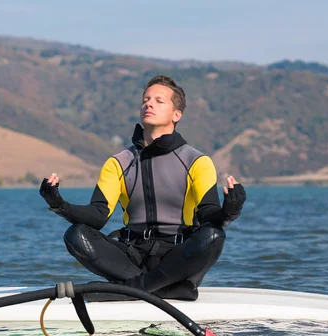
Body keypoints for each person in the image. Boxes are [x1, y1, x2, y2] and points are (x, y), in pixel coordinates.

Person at [39, 75, 246, 300]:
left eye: (159, 100)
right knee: (76, 234)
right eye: (146, 99)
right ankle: (160, 289)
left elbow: (208, 216)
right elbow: (97, 216)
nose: (149, 104)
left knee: (214, 235)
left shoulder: (197, 161)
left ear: (177, 114)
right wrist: (59, 205)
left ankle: (129, 290)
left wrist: (230, 210)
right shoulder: (118, 162)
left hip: (177, 258)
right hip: (130, 256)